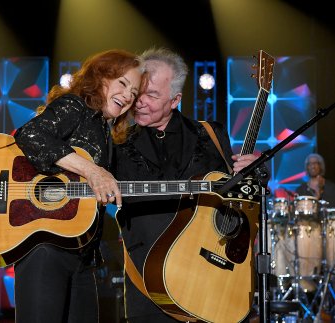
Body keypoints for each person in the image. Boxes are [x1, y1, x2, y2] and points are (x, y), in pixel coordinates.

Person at [112, 47, 263, 323]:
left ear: (174, 100)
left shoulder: (211, 135)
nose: (140, 102)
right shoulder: (117, 142)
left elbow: (239, 202)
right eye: (138, 93)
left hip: (211, 279)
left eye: (152, 95)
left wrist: (255, 171)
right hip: (150, 283)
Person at [12, 49, 145, 323]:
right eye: (122, 83)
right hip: (45, 249)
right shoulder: (76, 106)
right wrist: (93, 171)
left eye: (134, 92)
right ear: (100, 77)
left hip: (83, 255)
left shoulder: (108, 135)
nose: (128, 95)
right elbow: (31, 134)